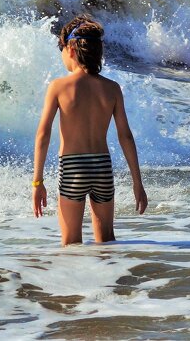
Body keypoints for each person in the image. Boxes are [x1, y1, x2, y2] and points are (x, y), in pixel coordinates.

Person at [32, 15, 148, 245]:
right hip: (102, 167)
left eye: (62, 48)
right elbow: (125, 136)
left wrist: (38, 182)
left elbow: (43, 135)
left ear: (72, 50)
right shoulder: (112, 89)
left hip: (73, 167)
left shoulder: (58, 87)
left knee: (71, 243)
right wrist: (138, 182)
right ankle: (110, 279)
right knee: (107, 241)